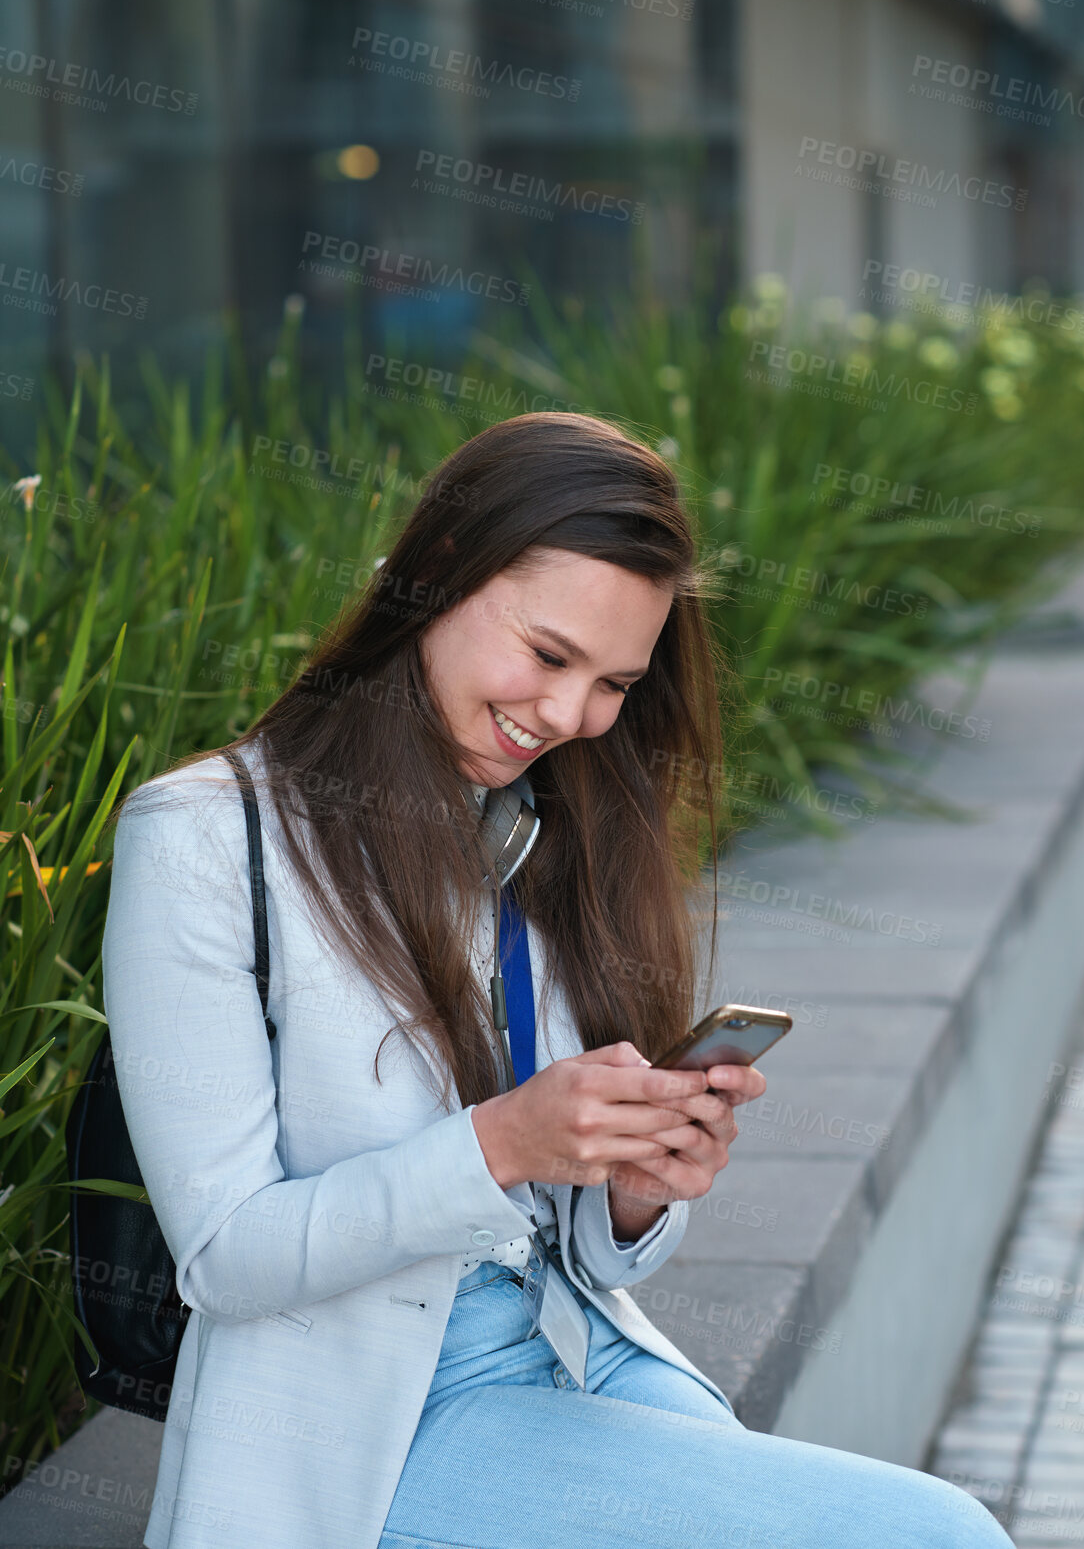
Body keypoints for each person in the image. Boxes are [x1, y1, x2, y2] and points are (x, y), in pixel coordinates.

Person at [102, 411, 1013, 1549]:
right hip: (363, 1424)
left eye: (614, 682)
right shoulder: (203, 836)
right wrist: (503, 1142)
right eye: (547, 655)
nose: (570, 716)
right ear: (439, 572)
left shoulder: (538, 829)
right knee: (936, 1534)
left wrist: (637, 1186)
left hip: (570, 1347)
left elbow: (569, 1240)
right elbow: (226, 1257)